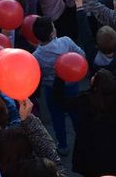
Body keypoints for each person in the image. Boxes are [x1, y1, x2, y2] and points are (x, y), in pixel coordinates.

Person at [54, 69, 116, 177]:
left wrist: (60, 78)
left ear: (96, 85)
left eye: (95, 76)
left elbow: (60, 102)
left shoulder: (86, 100)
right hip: (115, 159)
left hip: (90, 159)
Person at [32, 16, 85, 154]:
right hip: (72, 85)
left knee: (57, 116)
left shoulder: (36, 55)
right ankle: (82, 141)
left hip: (52, 89)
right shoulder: (66, 42)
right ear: (52, 33)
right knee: (76, 114)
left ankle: (62, 145)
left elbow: (38, 74)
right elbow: (81, 55)